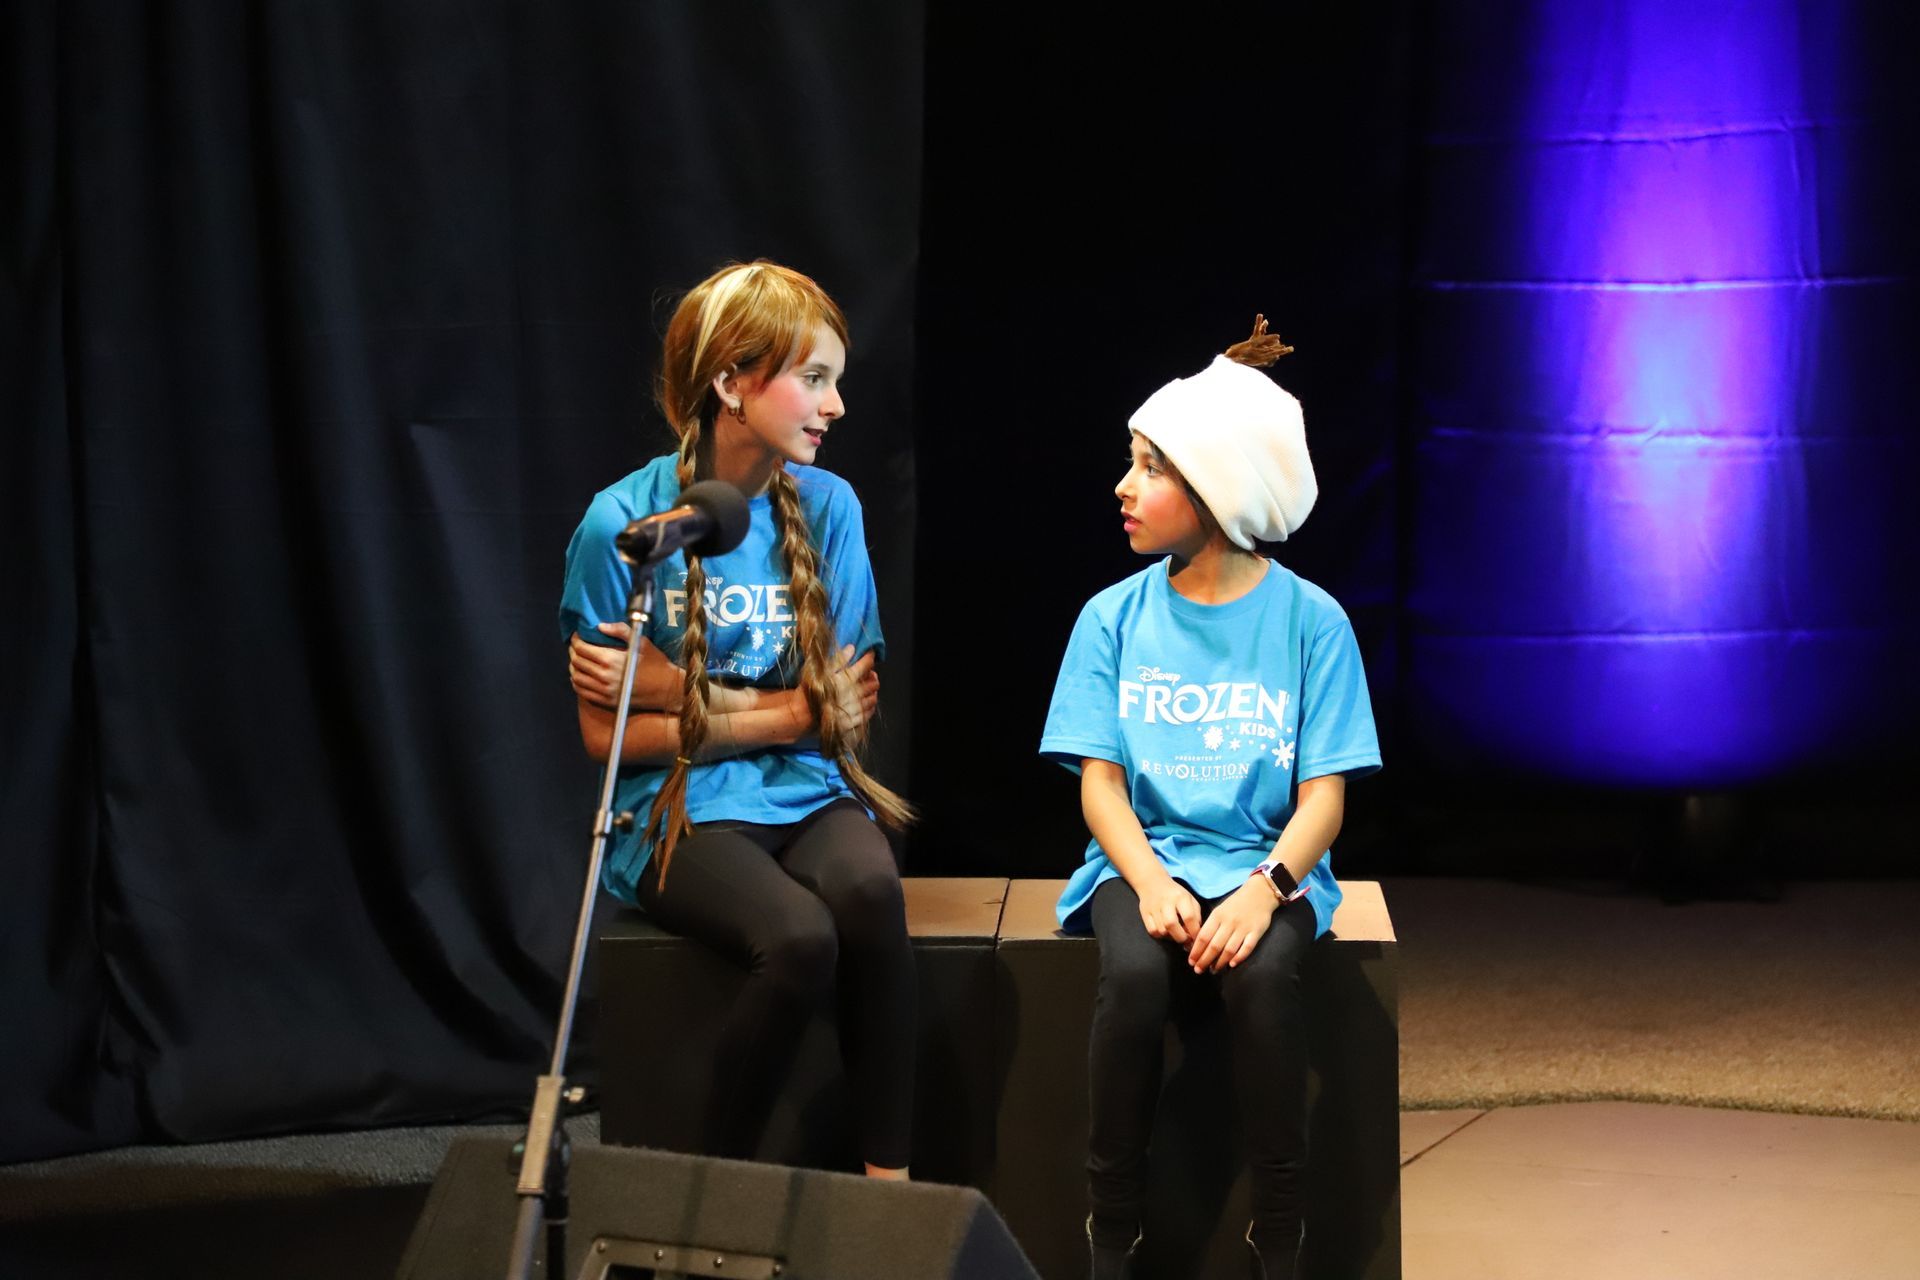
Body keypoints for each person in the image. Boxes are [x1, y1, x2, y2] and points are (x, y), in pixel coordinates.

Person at [1038, 318, 1382, 1279]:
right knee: (1137, 984)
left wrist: (1267, 887)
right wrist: (1148, 882)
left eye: (1151, 467)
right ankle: (1114, 1236)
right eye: (1131, 462)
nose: (1124, 485)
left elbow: (1324, 801)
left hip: (1263, 869)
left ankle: (1280, 1235)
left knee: (1265, 982)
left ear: (1217, 489)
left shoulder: (1313, 622)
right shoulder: (1111, 617)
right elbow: (1100, 786)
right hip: (1141, 860)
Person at [558, 260, 915, 1178]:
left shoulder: (829, 507)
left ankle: (891, 1188)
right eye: (814, 378)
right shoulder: (624, 524)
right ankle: (710, 1195)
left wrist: (683, 694)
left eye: (837, 379)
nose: (834, 406)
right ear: (729, 382)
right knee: (798, 940)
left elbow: (845, 713)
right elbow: (607, 741)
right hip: (674, 805)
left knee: (872, 894)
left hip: (806, 789)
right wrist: (785, 709)